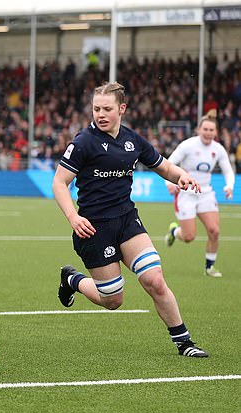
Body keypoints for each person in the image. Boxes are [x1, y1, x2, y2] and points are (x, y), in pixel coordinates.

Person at [52, 81, 209, 358]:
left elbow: (163, 166)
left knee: (155, 280)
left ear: (122, 109)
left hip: (127, 221)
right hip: (93, 229)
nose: (100, 114)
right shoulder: (83, 143)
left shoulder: (132, 140)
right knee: (113, 300)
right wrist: (73, 217)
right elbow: (59, 183)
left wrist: (180, 175)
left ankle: (184, 342)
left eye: (107, 109)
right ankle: (72, 279)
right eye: (96, 108)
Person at [164, 114, 235, 277]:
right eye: (205, 129)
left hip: (206, 194)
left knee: (214, 231)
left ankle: (209, 268)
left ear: (215, 132)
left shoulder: (218, 149)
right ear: (198, 130)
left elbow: (228, 170)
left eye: (211, 130)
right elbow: (168, 163)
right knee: (189, 237)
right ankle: (175, 232)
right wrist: (169, 183)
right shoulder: (187, 145)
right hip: (186, 193)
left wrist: (229, 186)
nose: (208, 133)